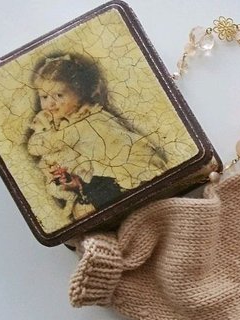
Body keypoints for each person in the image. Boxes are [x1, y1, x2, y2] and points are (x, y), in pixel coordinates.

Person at [26, 53, 167, 221]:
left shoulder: (87, 123)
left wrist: (41, 134)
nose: (50, 104)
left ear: (79, 92)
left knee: (85, 211)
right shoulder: (71, 120)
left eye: (59, 95)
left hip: (128, 179)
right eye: (44, 97)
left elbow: (42, 146)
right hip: (103, 181)